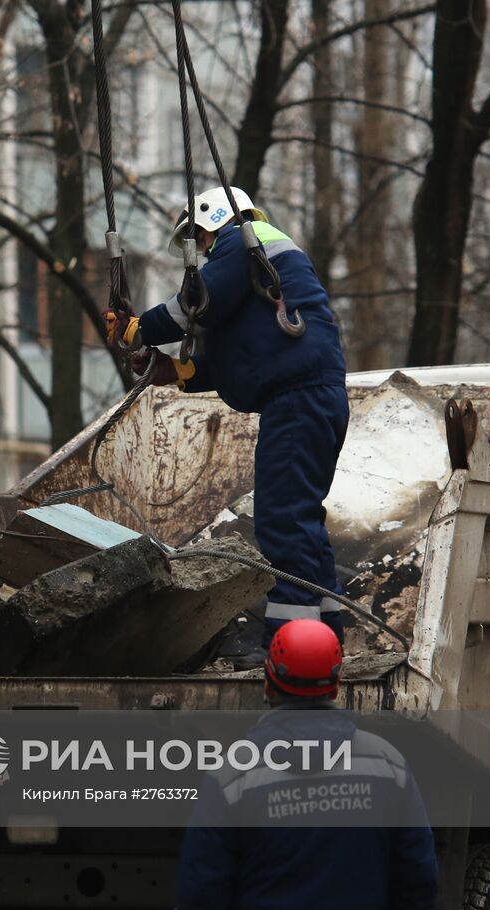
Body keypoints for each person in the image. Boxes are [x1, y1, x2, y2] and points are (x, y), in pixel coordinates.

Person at [106, 187, 349, 658]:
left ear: (214, 219)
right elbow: (236, 359)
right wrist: (173, 372)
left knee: (282, 521)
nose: (199, 250)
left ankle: (289, 647)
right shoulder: (258, 273)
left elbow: (198, 301)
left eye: (198, 236)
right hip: (305, 399)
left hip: (299, 401)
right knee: (301, 523)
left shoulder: (245, 237)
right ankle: (324, 642)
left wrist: (140, 329)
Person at [173, 619, 438, 910]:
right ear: (337, 683)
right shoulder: (387, 765)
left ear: (269, 681)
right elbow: (417, 879)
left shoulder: (234, 775)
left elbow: (201, 892)